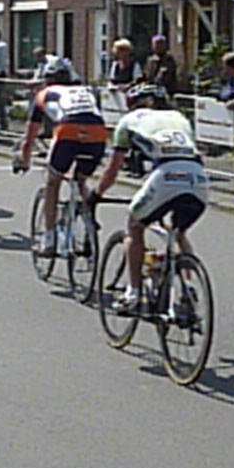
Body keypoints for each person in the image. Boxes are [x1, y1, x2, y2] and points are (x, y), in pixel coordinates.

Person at [92, 84, 209, 313]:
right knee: (178, 233)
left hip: (167, 175)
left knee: (135, 226)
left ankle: (133, 293)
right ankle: (188, 286)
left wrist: (96, 195)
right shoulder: (179, 117)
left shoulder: (129, 121)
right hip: (198, 177)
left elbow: (112, 170)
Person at [17, 56, 109, 254]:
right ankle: (89, 219)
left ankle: (49, 240)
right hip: (98, 133)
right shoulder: (86, 91)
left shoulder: (45, 94)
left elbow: (30, 136)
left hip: (67, 130)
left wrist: (24, 159)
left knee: (53, 182)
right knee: (80, 180)